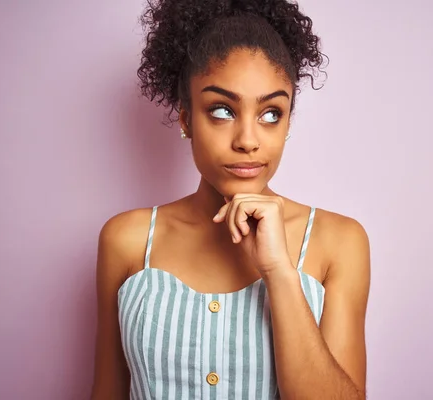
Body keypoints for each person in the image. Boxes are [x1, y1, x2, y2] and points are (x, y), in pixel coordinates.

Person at [90, 0, 371, 399]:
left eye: (271, 113)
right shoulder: (128, 240)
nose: (248, 140)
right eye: (222, 110)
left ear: (289, 122)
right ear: (186, 117)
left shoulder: (339, 242)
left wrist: (278, 270)